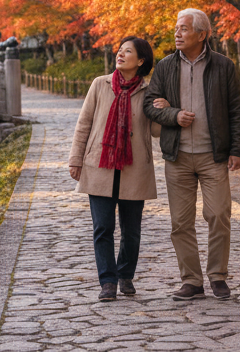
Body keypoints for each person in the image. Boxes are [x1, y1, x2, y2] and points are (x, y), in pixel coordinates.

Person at [143, 8, 240, 301]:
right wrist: (173, 115)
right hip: (177, 156)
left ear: (202, 34)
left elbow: (237, 110)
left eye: (184, 29)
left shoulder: (223, 66)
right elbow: (149, 105)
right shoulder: (164, 66)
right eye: (176, 28)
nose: (177, 33)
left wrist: (238, 150)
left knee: (218, 215)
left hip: (212, 155)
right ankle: (191, 281)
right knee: (181, 222)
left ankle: (218, 277)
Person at [68, 37, 157, 301]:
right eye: (119, 50)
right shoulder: (100, 84)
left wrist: (165, 109)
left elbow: (156, 131)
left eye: (127, 51)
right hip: (100, 165)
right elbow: (84, 123)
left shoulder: (149, 91)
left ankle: (125, 274)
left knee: (132, 231)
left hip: (135, 167)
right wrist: (76, 159)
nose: (120, 54)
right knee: (102, 228)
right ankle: (107, 282)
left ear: (140, 61)